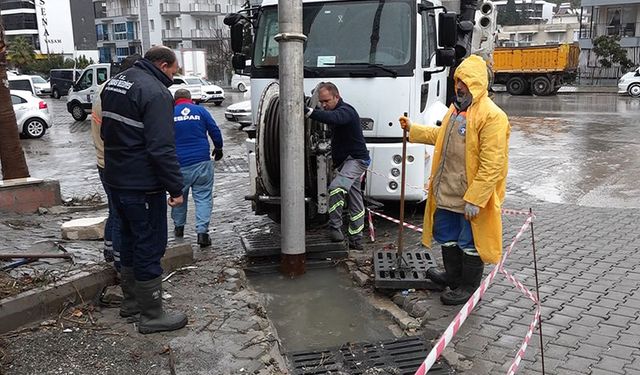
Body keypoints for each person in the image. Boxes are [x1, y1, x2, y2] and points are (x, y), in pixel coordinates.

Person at [399, 54, 510, 306]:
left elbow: (494, 163)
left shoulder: (492, 116)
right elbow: (442, 135)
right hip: (446, 191)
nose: (459, 87)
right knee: (446, 235)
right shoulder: (456, 110)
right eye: (457, 81)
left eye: (465, 82)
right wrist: (413, 130)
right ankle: (452, 275)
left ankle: (468, 287)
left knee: (470, 242)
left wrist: (477, 198)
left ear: (477, 84)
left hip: (469, 196)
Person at [101, 46, 187, 334]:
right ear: (163, 65)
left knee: (127, 239)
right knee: (149, 245)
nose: (173, 78)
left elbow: (106, 131)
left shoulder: (116, 82)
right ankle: (152, 316)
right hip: (142, 185)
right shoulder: (156, 93)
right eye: (173, 72)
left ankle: (132, 305)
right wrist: (175, 187)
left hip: (116, 178)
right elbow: (161, 148)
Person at [91, 54, 142, 272]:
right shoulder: (118, 93)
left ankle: (110, 249)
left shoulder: (105, 89)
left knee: (114, 209)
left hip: (103, 159)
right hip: (114, 162)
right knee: (121, 213)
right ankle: (122, 263)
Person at [305, 82, 370, 250]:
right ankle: (356, 239)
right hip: (346, 162)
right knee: (356, 200)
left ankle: (335, 228)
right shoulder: (333, 110)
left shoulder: (346, 111)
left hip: (356, 161)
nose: (324, 105)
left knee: (336, 188)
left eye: (327, 101)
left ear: (337, 97)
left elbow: (335, 118)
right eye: (321, 102)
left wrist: (310, 112)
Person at [171, 89, 223, 248]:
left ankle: (179, 229)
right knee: (203, 197)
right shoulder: (201, 111)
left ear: (175, 100)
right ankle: (202, 233)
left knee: (179, 196)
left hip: (178, 164)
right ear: (190, 99)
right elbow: (214, 130)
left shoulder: (169, 113)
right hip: (202, 162)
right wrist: (218, 148)